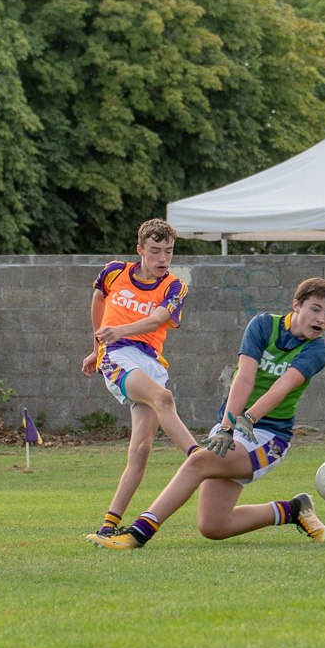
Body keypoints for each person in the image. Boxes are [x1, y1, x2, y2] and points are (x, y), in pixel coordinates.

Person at [87, 277, 325, 550]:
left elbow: (281, 388)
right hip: (232, 425)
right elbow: (244, 379)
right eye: (315, 309)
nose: (322, 319)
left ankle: (138, 534)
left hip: (269, 437)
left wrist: (249, 419)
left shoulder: (318, 348)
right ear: (296, 305)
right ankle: (294, 509)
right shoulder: (263, 325)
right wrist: (226, 427)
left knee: (198, 462)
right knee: (214, 526)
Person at [82, 219, 201, 536]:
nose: (162, 259)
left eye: (169, 251)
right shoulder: (114, 272)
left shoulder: (175, 286)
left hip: (151, 363)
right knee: (164, 398)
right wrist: (97, 348)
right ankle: (199, 457)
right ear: (140, 250)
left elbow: (158, 319)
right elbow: (98, 300)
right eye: (155, 251)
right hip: (117, 355)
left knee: (141, 450)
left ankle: (108, 526)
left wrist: (117, 329)